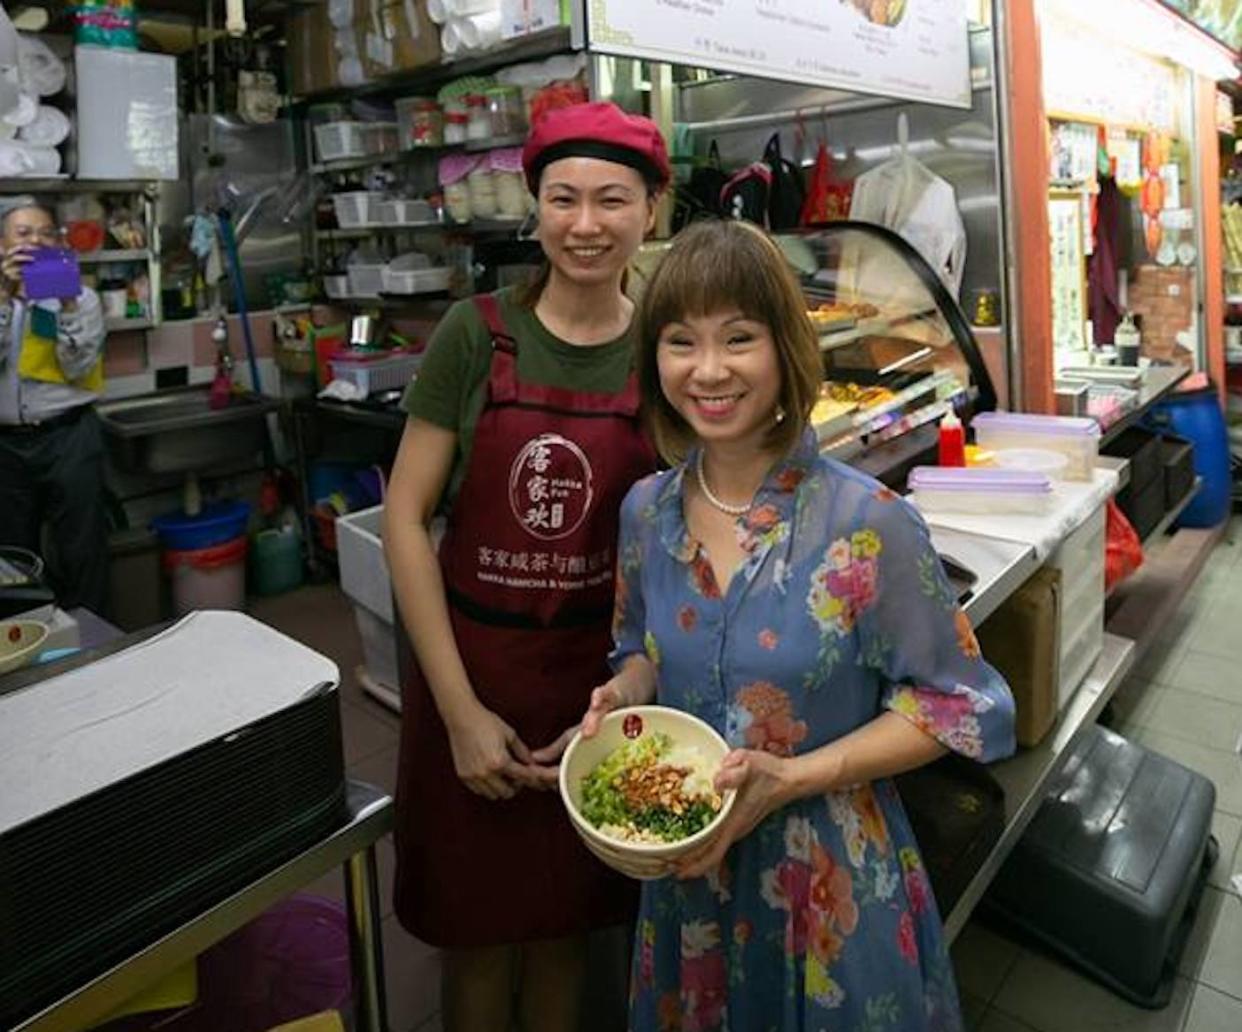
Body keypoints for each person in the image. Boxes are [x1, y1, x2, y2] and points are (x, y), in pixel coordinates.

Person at [577, 219, 1015, 1031]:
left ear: (784, 350)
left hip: (827, 880)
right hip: (687, 875)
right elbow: (639, 647)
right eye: (681, 341)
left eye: (737, 338)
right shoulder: (646, 512)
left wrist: (792, 781)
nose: (708, 370)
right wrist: (623, 692)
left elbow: (961, 707)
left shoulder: (867, 522)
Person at [383, 102, 670, 1032]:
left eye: (612, 201)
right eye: (563, 199)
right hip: (470, 673)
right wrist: (461, 714)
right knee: (474, 939)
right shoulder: (476, 334)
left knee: (563, 932)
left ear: (652, 213)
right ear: (537, 209)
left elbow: (679, 535)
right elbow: (404, 514)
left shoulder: (666, 348)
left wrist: (635, 678)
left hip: (592, 688)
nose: (586, 224)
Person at [0, 195, 108, 611]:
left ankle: (99, 649)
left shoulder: (82, 299)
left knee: (84, 551)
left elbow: (80, 367)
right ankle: (24, 657)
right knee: (12, 559)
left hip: (70, 437)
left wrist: (66, 305)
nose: (35, 242)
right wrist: (5, 299)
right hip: (7, 446)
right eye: (23, 234)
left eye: (45, 234)